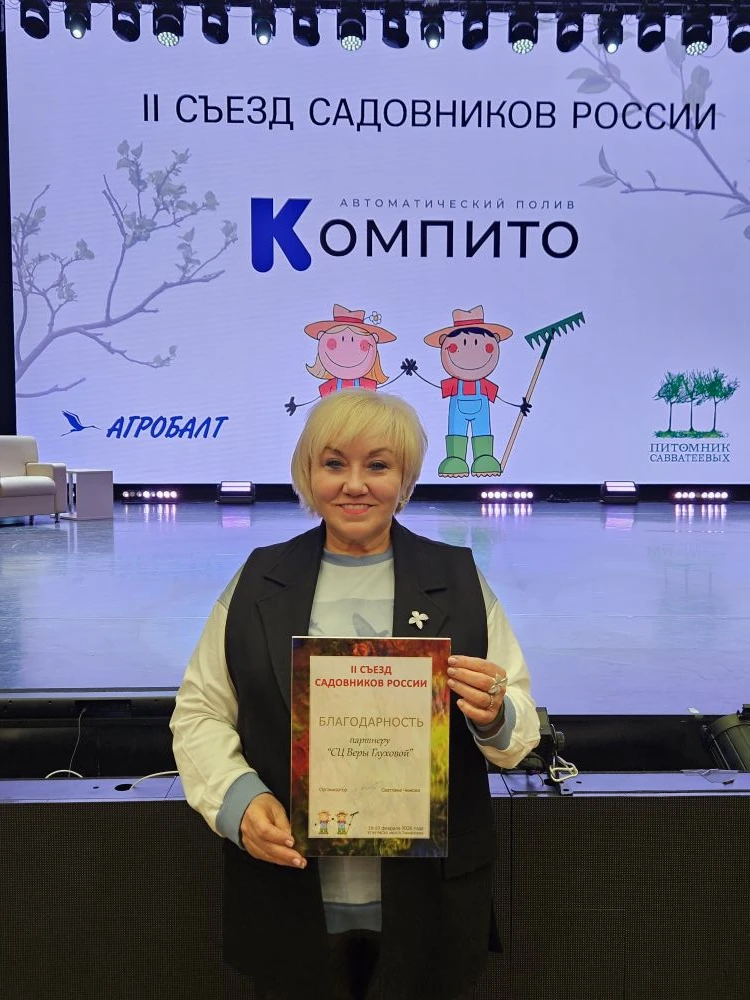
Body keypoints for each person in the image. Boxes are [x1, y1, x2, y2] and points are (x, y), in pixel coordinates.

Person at [171, 389, 540, 1000]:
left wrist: (495, 713)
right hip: (288, 894)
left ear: (406, 478)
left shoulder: (459, 578)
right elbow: (201, 712)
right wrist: (237, 800)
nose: (355, 485)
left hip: (431, 902)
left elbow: (518, 725)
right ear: (308, 473)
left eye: (379, 465)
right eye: (334, 463)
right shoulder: (258, 579)